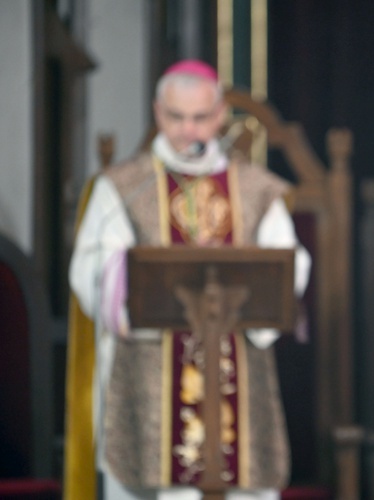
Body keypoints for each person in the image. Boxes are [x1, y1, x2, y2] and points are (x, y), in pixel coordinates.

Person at [67, 59, 311, 500]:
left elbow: (289, 264)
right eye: (177, 117)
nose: (188, 130)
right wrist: (123, 269)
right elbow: (91, 269)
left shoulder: (257, 188)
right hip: (150, 371)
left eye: (200, 118)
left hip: (237, 367)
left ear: (219, 116)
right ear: (158, 113)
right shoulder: (124, 186)